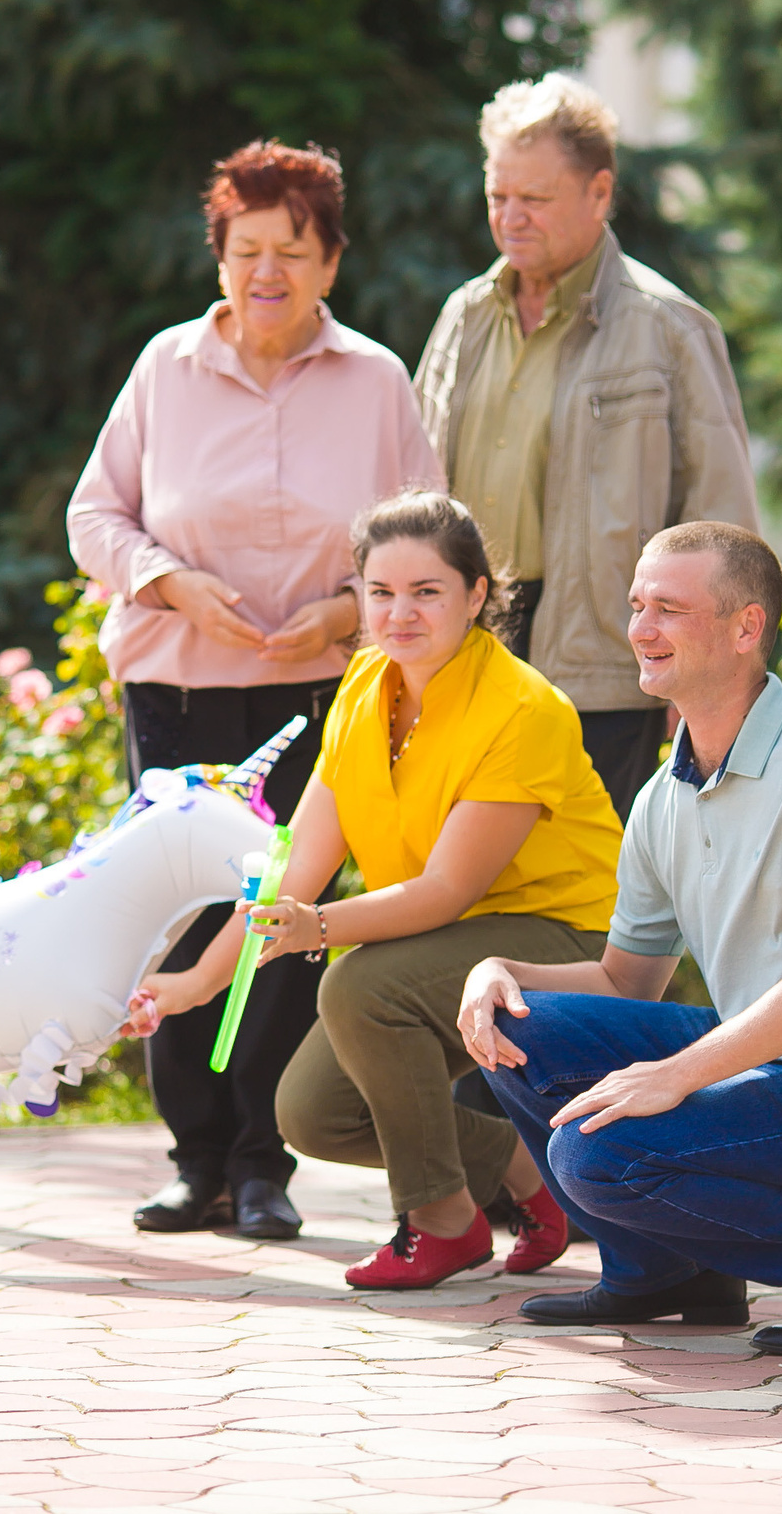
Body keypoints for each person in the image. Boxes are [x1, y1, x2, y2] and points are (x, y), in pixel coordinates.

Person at [459, 523, 782, 1356]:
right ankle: (663, 1272)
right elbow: (627, 981)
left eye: (669, 608)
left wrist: (677, 1075)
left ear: (745, 628)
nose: (641, 628)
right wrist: (495, 968)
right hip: (764, 1064)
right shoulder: (662, 799)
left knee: (594, 1157)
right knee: (513, 1028)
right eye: (636, 605)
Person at [69, 141, 445, 1243]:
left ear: (330, 263)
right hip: (178, 687)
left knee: (284, 918)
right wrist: (173, 585)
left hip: (324, 690)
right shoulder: (164, 368)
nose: (266, 272)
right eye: (245, 250)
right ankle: (195, 1161)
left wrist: (344, 611)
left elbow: (422, 527)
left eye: (291, 251)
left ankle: (261, 1162)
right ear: (219, 256)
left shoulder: (374, 380)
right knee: (186, 916)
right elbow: (96, 517)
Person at [127, 490, 624, 1290]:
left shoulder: (524, 708)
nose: (400, 613)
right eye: (381, 592)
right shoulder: (364, 685)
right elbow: (298, 865)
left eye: (427, 591)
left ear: (476, 596)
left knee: (360, 985)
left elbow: (447, 892)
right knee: (312, 1114)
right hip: (447, 941)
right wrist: (193, 984)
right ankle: (523, 1170)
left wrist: (316, 926)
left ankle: (443, 1223)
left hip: (568, 935)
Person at [414, 72, 761, 817]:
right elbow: (412, 486)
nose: (511, 217)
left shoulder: (670, 326)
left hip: (608, 662)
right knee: (467, 893)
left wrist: (705, 676)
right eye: (498, 196)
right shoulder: (463, 316)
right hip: (467, 652)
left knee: (596, 903)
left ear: (599, 193)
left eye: (533, 199)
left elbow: (723, 520)